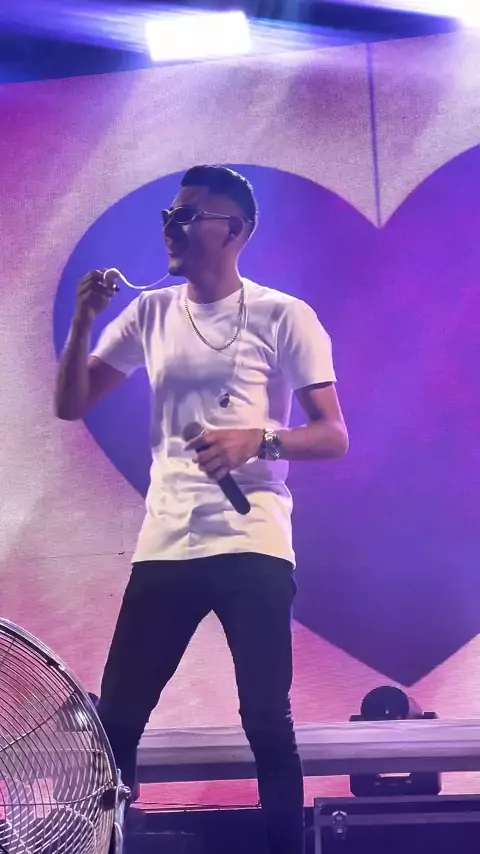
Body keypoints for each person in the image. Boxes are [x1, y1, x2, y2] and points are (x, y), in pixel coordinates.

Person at [54, 165, 348, 854]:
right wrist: (83, 321)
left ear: (234, 230)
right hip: (167, 542)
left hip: (253, 540)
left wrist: (258, 439)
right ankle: (107, 844)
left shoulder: (284, 315)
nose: (171, 227)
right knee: (118, 719)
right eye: (169, 215)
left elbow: (334, 435)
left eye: (188, 216)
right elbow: (70, 403)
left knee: (266, 720)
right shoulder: (150, 313)